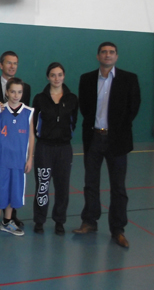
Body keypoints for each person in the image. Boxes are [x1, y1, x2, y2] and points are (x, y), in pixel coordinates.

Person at [72, 42, 140, 248]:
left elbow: (133, 108)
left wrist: (116, 130)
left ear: (116, 57)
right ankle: (89, 221)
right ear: (98, 56)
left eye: (111, 52)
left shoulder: (129, 79)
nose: (107, 55)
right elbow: (85, 107)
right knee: (90, 182)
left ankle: (117, 229)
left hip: (117, 140)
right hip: (94, 138)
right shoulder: (87, 79)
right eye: (104, 52)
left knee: (118, 187)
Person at [0, 51, 30, 227]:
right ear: (1, 65)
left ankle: (9, 218)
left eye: (15, 63)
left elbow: (24, 121)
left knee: (13, 184)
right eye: (9, 63)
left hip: (16, 150)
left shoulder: (26, 88)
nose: (12, 66)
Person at [32, 63, 78, 235]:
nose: (56, 78)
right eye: (53, 75)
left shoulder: (72, 98)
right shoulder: (39, 98)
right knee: (42, 186)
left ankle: (59, 221)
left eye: (59, 75)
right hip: (45, 148)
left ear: (64, 76)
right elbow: (35, 122)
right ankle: (39, 220)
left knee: (62, 187)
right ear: (48, 77)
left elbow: (74, 121)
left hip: (64, 149)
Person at [0, 78, 34, 240]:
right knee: (0, 190)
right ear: (7, 92)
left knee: (14, 191)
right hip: (1, 161)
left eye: (19, 92)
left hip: (18, 161)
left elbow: (31, 136)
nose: (16, 95)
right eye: (12, 91)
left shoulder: (29, 112)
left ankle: (7, 221)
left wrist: (30, 158)